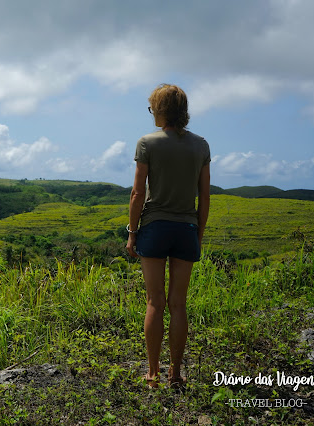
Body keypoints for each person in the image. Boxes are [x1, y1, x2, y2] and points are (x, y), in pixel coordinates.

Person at [126, 84, 210, 390]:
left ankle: (152, 373)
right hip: (186, 229)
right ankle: (175, 373)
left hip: (155, 227)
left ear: (161, 110)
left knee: (154, 303)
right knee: (178, 304)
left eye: (153, 109)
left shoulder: (147, 144)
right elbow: (205, 196)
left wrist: (132, 232)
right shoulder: (201, 145)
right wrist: (197, 234)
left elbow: (137, 194)